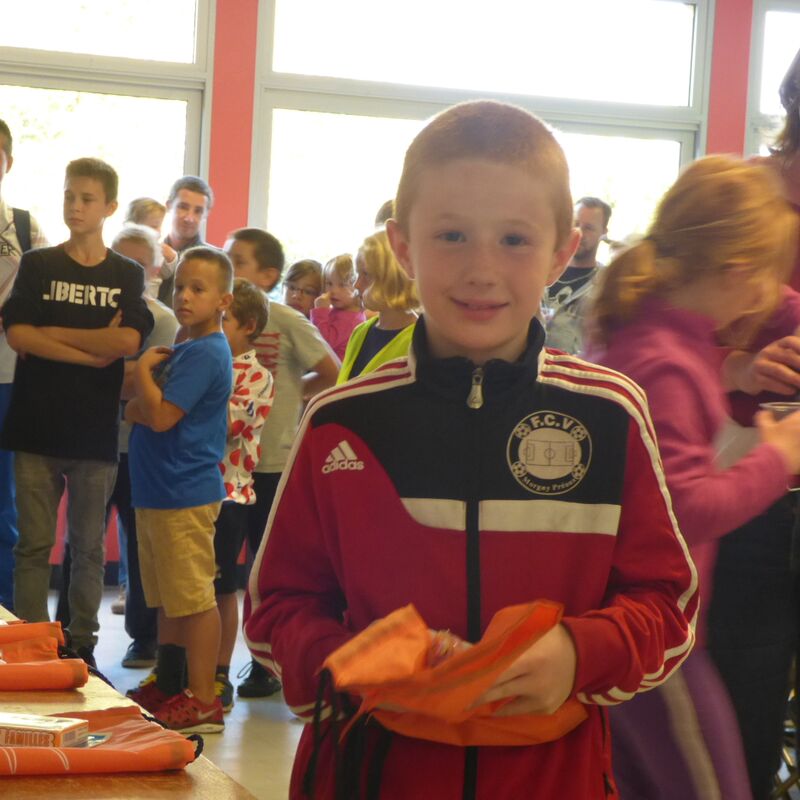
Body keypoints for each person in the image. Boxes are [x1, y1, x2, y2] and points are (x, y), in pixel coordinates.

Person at [243, 99, 698, 799]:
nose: (481, 269)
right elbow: (277, 607)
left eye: (514, 240)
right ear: (403, 247)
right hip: (369, 775)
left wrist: (579, 653)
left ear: (561, 251)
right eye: (451, 235)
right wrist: (357, 663)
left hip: (554, 780)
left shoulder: (610, 415)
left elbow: (666, 602)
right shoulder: (341, 422)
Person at [584, 155, 800, 799]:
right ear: (739, 273)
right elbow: (684, 507)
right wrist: (779, 457)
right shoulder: (668, 363)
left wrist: (737, 371)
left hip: (640, 627)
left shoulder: (651, 332)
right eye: (771, 277)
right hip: (658, 640)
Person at [1, 157, 153, 665]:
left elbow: (128, 340)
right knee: (32, 546)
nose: (75, 206)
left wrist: (50, 334)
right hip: (35, 427)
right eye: (69, 195)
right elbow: (18, 334)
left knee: (87, 548)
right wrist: (91, 352)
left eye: (87, 198)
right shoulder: (39, 264)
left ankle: (81, 644)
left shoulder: (126, 273)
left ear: (109, 206)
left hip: (93, 432)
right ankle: (30, 644)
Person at [224, 228, 339, 697]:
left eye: (239, 261)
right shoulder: (220, 319)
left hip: (272, 461)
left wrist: (288, 397)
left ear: (269, 275)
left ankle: (264, 664)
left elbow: (331, 371)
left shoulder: (287, 319)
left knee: (264, 569)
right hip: (230, 464)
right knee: (222, 569)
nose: (229, 268)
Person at [125, 246, 233, 733]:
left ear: (223, 301)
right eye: (180, 287)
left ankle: (204, 700)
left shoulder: (207, 352)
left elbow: (161, 416)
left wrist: (143, 376)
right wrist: (143, 399)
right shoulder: (186, 348)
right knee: (170, 598)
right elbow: (138, 409)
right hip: (158, 492)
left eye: (198, 289)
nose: (184, 296)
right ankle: (169, 683)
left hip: (183, 493)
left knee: (193, 599)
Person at [113, 224, 179, 668]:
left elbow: (146, 386)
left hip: (140, 448)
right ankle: (68, 634)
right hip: (89, 441)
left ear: (155, 270)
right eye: (121, 262)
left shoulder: (164, 320)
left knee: (141, 545)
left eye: (139, 265)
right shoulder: (90, 313)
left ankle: (144, 637)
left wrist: (91, 367)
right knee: (83, 541)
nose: (129, 272)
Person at [214, 278, 273, 712]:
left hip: (229, 495)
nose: (216, 327)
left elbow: (228, 425)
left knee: (222, 588)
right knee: (187, 588)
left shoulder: (256, 375)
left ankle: (219, 673)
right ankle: (179, 666)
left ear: (248, 325)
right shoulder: (204, 357)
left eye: (224, 320)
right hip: (190, 491)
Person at [0, 117, 48, 612]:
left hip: (11, 379)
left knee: (5, 503)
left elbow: (48, 296)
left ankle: (6, 614)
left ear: (8, 162)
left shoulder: (25, 226)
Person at [337, 229, 419, 382]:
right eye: (358, 274)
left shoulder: (420, 342)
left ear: (393, 277)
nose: (356, 284)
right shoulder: (360, 331)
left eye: (367, 275)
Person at [542, 196, 611, 354]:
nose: (580, 233)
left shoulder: (606, 284)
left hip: (571, 367)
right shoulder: (542, 270)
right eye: (576, 224)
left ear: (603, 232)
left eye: (588, 228)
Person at [157, 176, 213, 305]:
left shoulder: (216, 263)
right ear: (169, 206)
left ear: (206, 214)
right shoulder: (146, 254)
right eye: (183, 207)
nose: (189, 218)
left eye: (198, 211)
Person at [310, 254, 366, 360]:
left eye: (342, 285)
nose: (333, 290)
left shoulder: (352, 320)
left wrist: (320, 311)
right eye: (329, 283)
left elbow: (323, 344)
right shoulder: (340, 311)